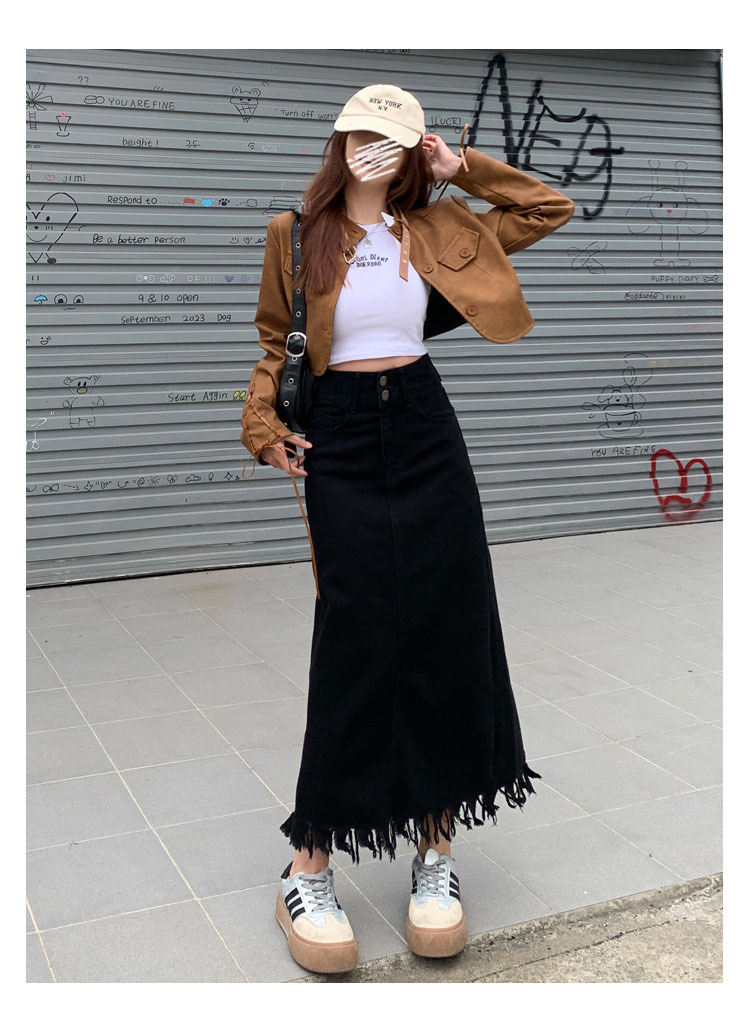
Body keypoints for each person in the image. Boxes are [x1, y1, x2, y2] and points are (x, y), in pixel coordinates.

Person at [239, 83, 576, 975]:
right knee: (354, 638)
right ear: (342, 141)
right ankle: (309, 863)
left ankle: (436, 848)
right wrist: (263, 427)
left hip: (425, 426)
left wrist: (460, 167)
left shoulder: (440, 226)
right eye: (364, 136)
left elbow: (547, 207)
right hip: (342, 435)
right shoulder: (295, 234)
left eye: (395, 140)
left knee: (446, 627)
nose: (377, 150)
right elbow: (274, 343)